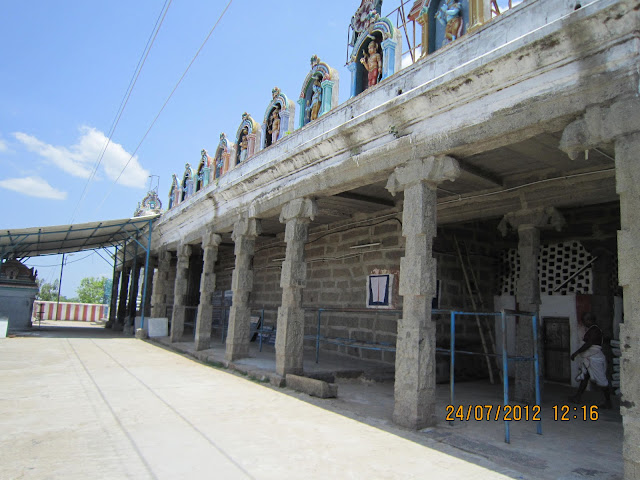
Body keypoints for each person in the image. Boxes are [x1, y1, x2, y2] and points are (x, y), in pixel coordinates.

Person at [569, 312, 612, 408]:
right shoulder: (593, 329)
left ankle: (608, 402)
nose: (584, 323)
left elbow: (588, 344)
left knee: (602, 380)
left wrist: (576, 353)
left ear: (589, 320)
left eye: (584, 321)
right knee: (585, 377)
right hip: (591, 359)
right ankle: (577, 397)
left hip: (595, 359)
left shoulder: (594, 330)